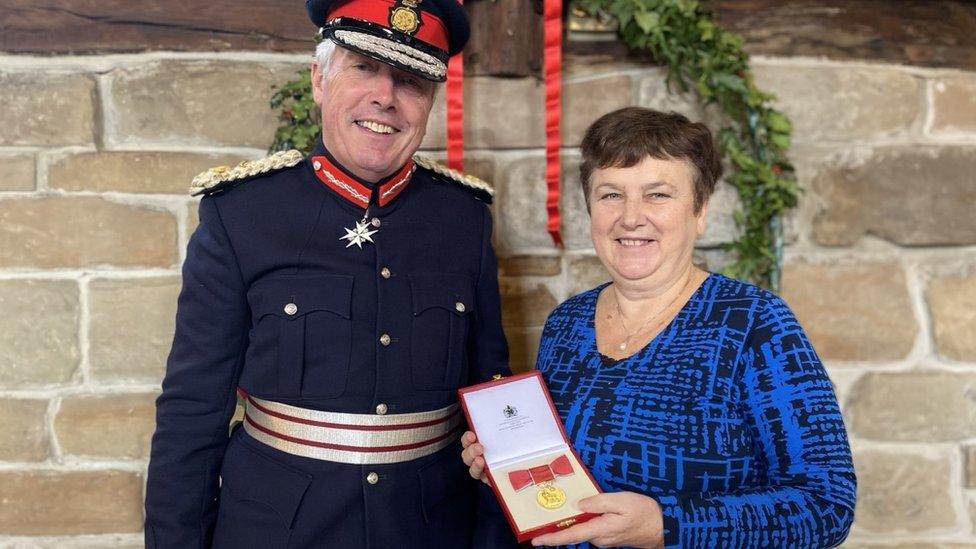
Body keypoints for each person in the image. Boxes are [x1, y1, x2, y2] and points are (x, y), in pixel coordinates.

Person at [144, 1, 516, 547]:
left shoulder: (463, 220)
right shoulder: (242, 214)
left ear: (430, 102)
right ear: (320, 79)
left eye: (411, 81)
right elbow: (191, 414)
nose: (385, 98)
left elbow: (492, 406)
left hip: (430, 529)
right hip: (277, 530)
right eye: (363, 67)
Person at [462, 107, 857, 548]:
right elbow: (562, 474)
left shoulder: (756, 325)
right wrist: (506, 465)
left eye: (658, 195)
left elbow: (827, 506)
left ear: (700, 210)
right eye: (611, 194)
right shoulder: (566, 324)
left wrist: (666, 525)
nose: (631, 217)